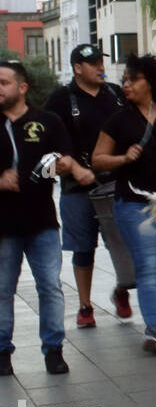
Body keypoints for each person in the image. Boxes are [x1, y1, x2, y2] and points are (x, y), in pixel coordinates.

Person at [0, 61, 92, 376]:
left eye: (3, 82)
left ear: (22, 87)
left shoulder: (47, 121)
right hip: (3, 226)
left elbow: (63, 157)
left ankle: (54, 350)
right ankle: (2, 352)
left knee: (50, 287)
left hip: (42, 223)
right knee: (2, 289)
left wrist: (70, 167)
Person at [92, 55, 156, 354]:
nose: (126, 84)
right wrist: (122, 158)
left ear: (151, 82)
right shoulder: (119, 119)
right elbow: (98, 160)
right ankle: (153, 328)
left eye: (133, 79)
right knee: (148, 266)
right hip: (133, 203)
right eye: (125, 80)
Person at [44, 43, 133, 327]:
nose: (100, 67)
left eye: (100, 61)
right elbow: (48, 142)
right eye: (93, 63)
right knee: (83, 249)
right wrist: (71, 166)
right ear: (77, 68)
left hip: (117, 183)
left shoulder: (116, 95)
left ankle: (121, 290)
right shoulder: (60, 99)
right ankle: (85, 306)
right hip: (77, 188)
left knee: (124, 244)